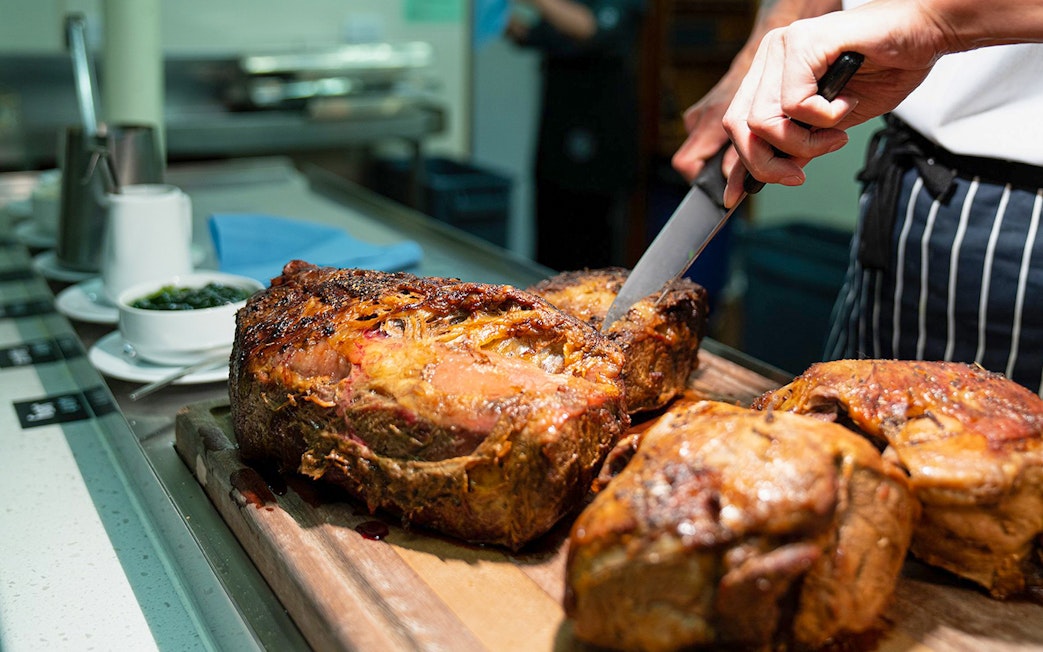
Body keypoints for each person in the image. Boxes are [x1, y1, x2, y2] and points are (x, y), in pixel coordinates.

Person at [673, 0, 1043, 394]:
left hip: (1013, 218)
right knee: (838, 419)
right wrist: (759, 59)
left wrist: (934, 20)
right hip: (899, 184)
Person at [506, 0, 646, 271]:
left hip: (600, 149)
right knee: (548, 251)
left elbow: (591, 28)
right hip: (554, 144)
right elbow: (530, 34)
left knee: (594, 260)